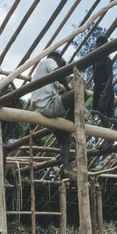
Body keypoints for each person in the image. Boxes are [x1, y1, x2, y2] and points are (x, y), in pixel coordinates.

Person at [30, 51, 83, 183]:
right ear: (56, 59)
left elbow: (60, 85)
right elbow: (60, 75)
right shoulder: (49, 61)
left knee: (64, 137)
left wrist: (68, 84)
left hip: (43, 107)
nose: (59, 64)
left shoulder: (46, 74)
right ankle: (69, 124)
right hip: (47, 105)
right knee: (83, 93)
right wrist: (70, 88)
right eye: (60, 63)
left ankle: (66, 169)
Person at [91, 35, 117, 129]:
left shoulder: (107, 60)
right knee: (97, 111)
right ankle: (107, 130)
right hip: (97, 87)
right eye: (99, 45)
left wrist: (106, 89)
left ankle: (108, 133)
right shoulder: (94, 60)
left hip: (106, 87)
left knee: (102, 109)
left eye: (102, 45)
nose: (100, 47)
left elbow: (110, 76)